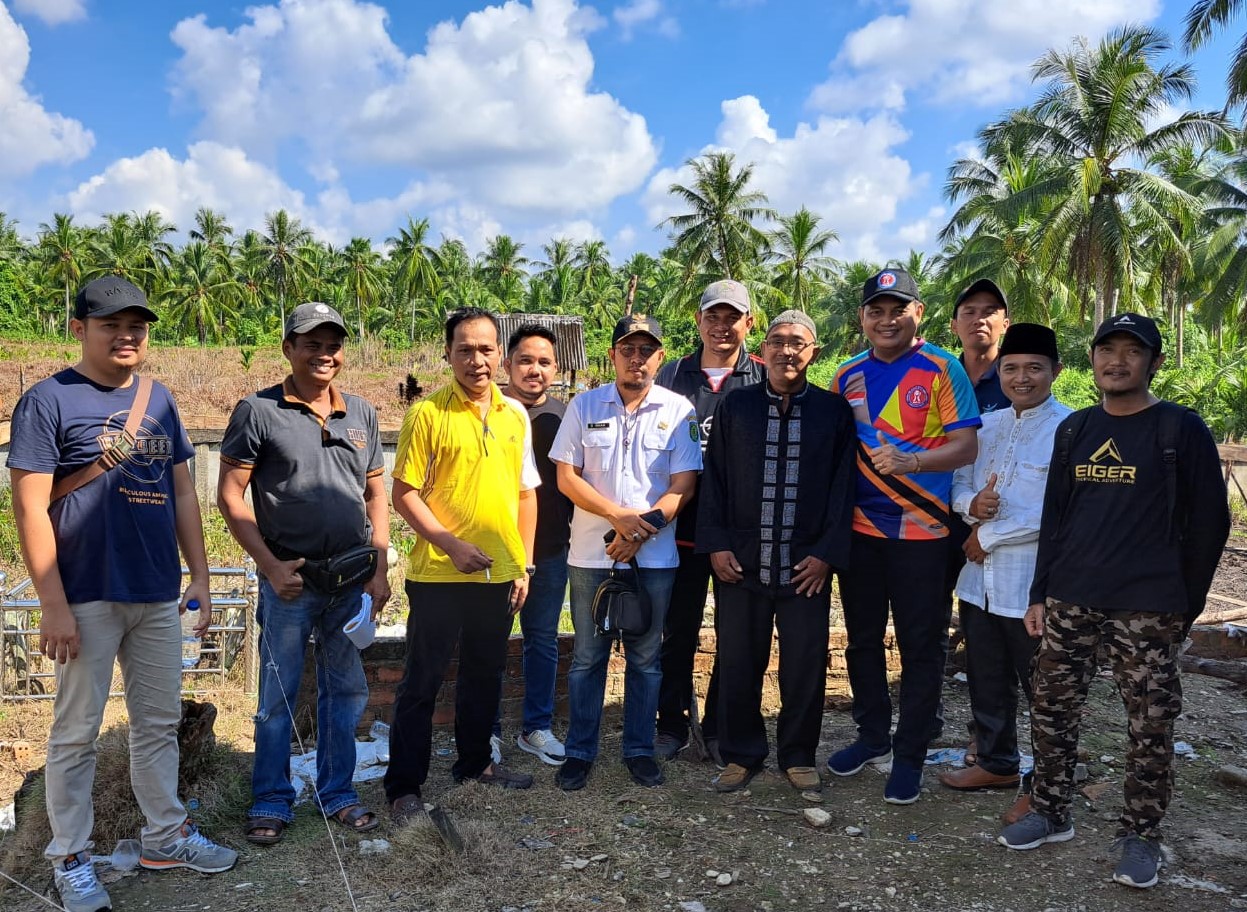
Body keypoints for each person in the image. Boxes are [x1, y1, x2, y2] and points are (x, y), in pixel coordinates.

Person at [8, 276, 236, 912]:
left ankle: (166, 835)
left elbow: (184, 492)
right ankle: (70, 857)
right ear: (79, 328)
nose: (127, 335)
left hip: (156, 590)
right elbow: (29, 508)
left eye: (136, 324)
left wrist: (201, 576)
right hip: (84, 594)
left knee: (158, 723)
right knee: (76, 731)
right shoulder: (47, 400)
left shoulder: (160, 399)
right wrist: (52, 603)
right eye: (110, 324)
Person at [998, 313, 1230, 890]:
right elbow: (1055, 520)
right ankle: (1051, 812)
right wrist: (1039, 594)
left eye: (1132, 351)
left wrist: (1187, 604)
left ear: (1154, 362)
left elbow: (1211, 525)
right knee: (1052, 711)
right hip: (1071, 599)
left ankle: (1140, 833)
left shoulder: (1180, 429)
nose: (1117, 361)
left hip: (1148, 606)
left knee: (1149, 723)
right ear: (1092, 359)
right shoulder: (1075, 429)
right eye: (1107, 350)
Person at [217, 302, 390, 845]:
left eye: (333, 343)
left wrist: (380, 567)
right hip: (290, 583)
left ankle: (337, 792)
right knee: (277, 698)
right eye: (311, 343)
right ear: (289, 348)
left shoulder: (361, 413)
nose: (324, 353)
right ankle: (271, 798)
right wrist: (269, 567)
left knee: (346, 692)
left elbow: (376, 494)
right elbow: (229, 494)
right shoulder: (258, 411)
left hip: (350, 582)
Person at [828, 267, 981, 804]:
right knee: (862, 641)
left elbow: (966, 447)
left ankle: (910, 751)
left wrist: (914, 462)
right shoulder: (845, 376)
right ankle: (873, 737)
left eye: (898, 309)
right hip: (861, 534)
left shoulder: (942, 367)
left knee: (921, 647)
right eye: (876, 309)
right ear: (862, 317)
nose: (887, 319)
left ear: (919, 313)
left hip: (925, 534)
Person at [385, 307, 540, 824]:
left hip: (497, 574)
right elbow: (403, 494)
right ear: (448, 354)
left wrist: (524, 564)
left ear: (501, 354)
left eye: (486, 349)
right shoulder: (427, 415)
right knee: (422, 681)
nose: (477, 359)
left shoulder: (514, 415)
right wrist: (450, 545)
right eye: (465, 349)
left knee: (485, 675)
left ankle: (476, 764)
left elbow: (524, 494)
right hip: (438, 574)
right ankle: (404, 786)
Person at [697, 311, 856, 793]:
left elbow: (842, 488)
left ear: (814, 353)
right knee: (739, 661)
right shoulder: (736, 406)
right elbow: (715, 480)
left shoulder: (833, 412)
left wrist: (827, 554)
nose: (788, 351)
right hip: (741, 563)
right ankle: (741, 754)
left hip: (805, 566)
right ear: (762, 350)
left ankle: (799, 754)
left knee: (805, 666)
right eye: (778, 342)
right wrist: (717, 545)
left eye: (799, 343)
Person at [549, 314, 702, 791]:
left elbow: (684, 485)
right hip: (591, 556)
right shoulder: (584, 405)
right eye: (627, 349)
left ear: (660, 357)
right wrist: (618, 517)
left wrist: (641, 530)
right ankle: (580, 753)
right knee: (588, 659)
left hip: (654, 560)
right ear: (612, 354)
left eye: (647, 350)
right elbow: (566, 477)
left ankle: (639, 750)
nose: (637, 358)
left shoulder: (679, 410)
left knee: (646, 658)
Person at [938, 324, 1071, 807]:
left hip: (1031, 585)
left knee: (1045, 687)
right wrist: (974, 506)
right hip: (978, 584)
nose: (1022, 378)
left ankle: (1048, 785)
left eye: (1035, 368)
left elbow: (1060, 510)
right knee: (986, 677)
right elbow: (956, 483)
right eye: (1011, 368)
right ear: (999, 370)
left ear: (1056, 371)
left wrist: (985, 535)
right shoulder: (986, 426)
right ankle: (996, 764)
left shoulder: (1072, 429)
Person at [654, 278, 766, 762]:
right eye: (712, 317)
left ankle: (723, 724)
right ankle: (671, 723)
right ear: (698, 320)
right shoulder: (672, 376)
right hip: (679, 530)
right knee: (676, 630)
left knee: (736, 634)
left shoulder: (763, 377)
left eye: (732, 317)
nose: (722, 327)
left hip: (741, 533)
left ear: (749, 322)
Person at [490, 324, 574, 766]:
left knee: (541, 639)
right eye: (525, 360)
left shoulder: (566, 417)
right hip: (497, 551)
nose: (534, 369)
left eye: (544, 362)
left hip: (550, 549)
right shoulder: (491, 411)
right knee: (491, 639)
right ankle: (486, 730)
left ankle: (536, 728)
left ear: (556, 368)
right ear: (508, 364)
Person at [938, 278, 1014, 750]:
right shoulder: (938, 375)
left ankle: (990, 742)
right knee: (928, 625)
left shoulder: (1018, 379)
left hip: (996, 531)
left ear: (1005, 324)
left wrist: (990, 530)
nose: (979, 319)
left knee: (993, 637)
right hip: (935, 518)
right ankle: (925, 721)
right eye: (969, 311)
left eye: (990, 311)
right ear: (954, 324)